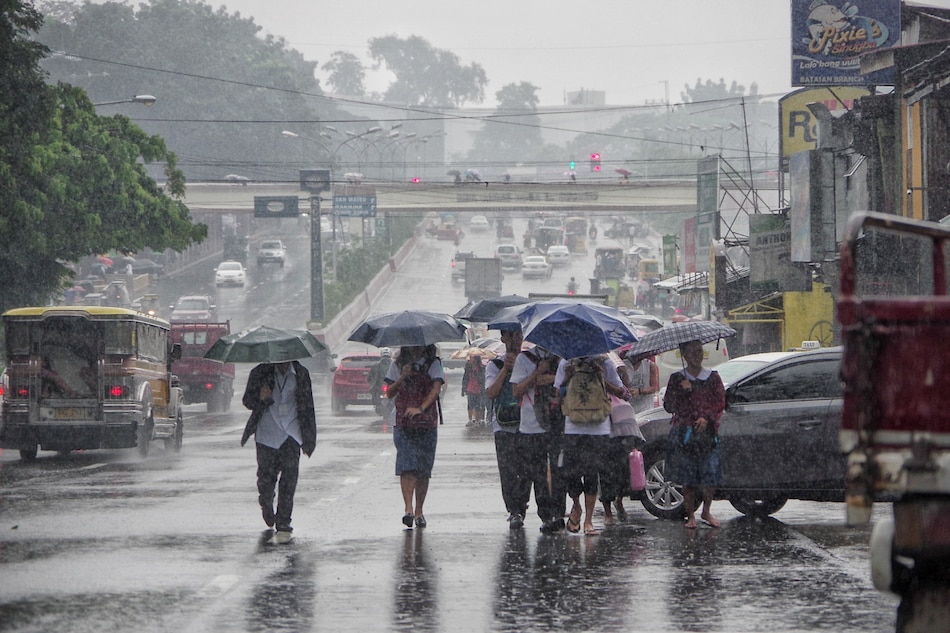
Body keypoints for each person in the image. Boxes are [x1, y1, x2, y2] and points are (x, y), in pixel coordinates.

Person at [241, 360, 317, 544]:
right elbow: (247, 401)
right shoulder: (260, 371)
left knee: (289, 481)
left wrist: (309, 439)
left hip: (291, 435)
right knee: (266, 480)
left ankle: (284, 522)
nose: (283, 362)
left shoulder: (301, 373)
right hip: (267, 433)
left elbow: (308, 407)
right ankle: (266, 504)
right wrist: (260, 396)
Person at [554, 354, 627, 536]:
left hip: (598, 425)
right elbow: (558, 393)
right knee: (571, 472)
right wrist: (567, 377)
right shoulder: (566, 361)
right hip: (573, 425)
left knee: (592, 474)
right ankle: (576, 506)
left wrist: (601, 377)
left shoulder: (604, 362)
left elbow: (621, 391)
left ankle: (588, 520)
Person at [662, 339, 726, 529]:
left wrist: (706, 418)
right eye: (692, 352)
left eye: (699, 352)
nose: (697, 356)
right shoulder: (676, 379)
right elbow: (669, 406)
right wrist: (682, 391)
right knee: (688, 476)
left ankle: (706, 510)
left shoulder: (712, 377)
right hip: (684, 433)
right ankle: (690, 515)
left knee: (709, 474)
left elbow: (720, 402)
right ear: (684, 355)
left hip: (707, 434)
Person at [385, 344, 444, 529]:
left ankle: (419, 510)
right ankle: (408, 509)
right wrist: (403, 376)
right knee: (407, 466)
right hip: (403, 423)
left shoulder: (434, 363)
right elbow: (389, 393)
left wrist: (420, 408)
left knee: (423, 469)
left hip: (427, 423)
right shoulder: (397, 364)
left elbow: (436, 389)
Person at [510, 344, 565, 533]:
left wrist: (551, 378)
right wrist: (536, 375)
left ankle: (553, 515)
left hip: (556, 423)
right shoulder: (524, 359)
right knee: (530, 473)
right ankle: (518, 511)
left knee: (556, 472)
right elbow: (516, 391)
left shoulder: (561, 358)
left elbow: (566, 385)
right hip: (530, 426)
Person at [484, 328, 531, 529]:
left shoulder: (530, 361)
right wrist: (505, 369)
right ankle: (513, 510)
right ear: (503, 338)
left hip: (527, 424)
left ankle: (522, 506)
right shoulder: (494, 364)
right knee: (508, 471)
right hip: (503, 426)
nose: (516, 340)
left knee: (526, 470)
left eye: (519, 336)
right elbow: (491, 393)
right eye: (511, 336)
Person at [461, 353, 486, 426]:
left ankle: (477, 419)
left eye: (472, 358)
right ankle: (470, 420)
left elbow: (482, 379)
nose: (470, 359)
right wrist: (463, 388)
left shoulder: (481, 368)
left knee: (478, 405)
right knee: (470, 404)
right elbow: (465, 378)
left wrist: (476, 374)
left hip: (478, 389)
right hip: (470, 388)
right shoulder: (468, 367)